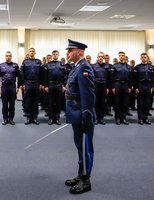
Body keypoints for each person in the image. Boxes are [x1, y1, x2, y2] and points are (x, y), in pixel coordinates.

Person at [64, 39, 95, 194]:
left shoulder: (84, 68)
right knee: (79, 145)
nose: (67, 53)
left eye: (70, 50)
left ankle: (86, 180)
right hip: (76, 113)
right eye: (67, 51)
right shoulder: (76, 67)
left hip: (83, 115)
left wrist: (86, 115)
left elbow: (88, 95)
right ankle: (80, 174)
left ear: (80, 52)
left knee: (86, 148)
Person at [0, 51, 20, 125]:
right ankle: (5, 119)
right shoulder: (1, 65)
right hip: (4, 87)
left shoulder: (15, 65)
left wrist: (18, 87)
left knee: (12, 104)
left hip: (12, 87)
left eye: (9, 56)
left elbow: (19, 76)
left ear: (11, 57)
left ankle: (11, 119)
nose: (8, 57)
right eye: (7, 56)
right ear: (5, 57)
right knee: (4, 104)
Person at [20, 48, 43, 125]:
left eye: (33, 51)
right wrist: (22, 84)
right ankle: (29, 118)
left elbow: (41, 74)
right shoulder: (25, 62)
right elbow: (22, 74)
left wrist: (41, 84)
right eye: (30, 51)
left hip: (36, 83)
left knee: (35, 102)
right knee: (28, 101)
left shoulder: (38, 62)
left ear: (35, 52)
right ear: (28, 53)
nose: (31, 52)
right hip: (28, 83)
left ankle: (35, 118)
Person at [44, 50, 66, 125]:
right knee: (51, 102)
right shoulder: (48, 64)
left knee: (58, 102)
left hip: (59, 85)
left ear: (58, 55)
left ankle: (57, 118)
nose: (55, 55)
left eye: (56, 54)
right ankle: (50, 118)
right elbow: (45, 76)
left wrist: (64, 86)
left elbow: (65, 76)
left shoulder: (62, 64)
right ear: (52, 55)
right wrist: (46, 86)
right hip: (51, 85)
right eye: (54, 54)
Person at [110, 51, 132, 125]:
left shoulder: (128, 66)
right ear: (119, 57)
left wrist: (129, 87)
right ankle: (118, 118)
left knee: (125, 103)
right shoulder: (114, 66)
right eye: (120, 55)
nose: (121, 56)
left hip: (125, 85)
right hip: (117, 84)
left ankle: (124, 118)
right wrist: (113, 87)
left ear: (125, 56)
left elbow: (130, 78)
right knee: (117, 103)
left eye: (123, 55)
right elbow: (111, 77)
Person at [132, 53, 154, 125]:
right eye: (142, 57)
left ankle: (146, 117)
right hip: (140, 86)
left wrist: (152, 87)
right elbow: (134, 79)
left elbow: (153, 78)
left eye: (145, 57)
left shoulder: (151, 67)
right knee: (140, 103)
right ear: (140, 58)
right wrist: (136, 88)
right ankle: (140, 118)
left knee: (147, 103)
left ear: (147, 58)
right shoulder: (137, 67)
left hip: (148, 86)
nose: (144, 58)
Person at [92, 52, 109, 125]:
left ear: (104, 58)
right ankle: (95, 118)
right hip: (96, 85)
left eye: (102, 56)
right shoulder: (93, 66)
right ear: (97, 57)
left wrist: (108, 87)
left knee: (102, 103)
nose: (101, 58)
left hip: (104, 86)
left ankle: (101, 118)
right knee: (95, 103)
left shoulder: (107, 66)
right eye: (99, 56)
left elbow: (109, 78)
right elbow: (91, 77)